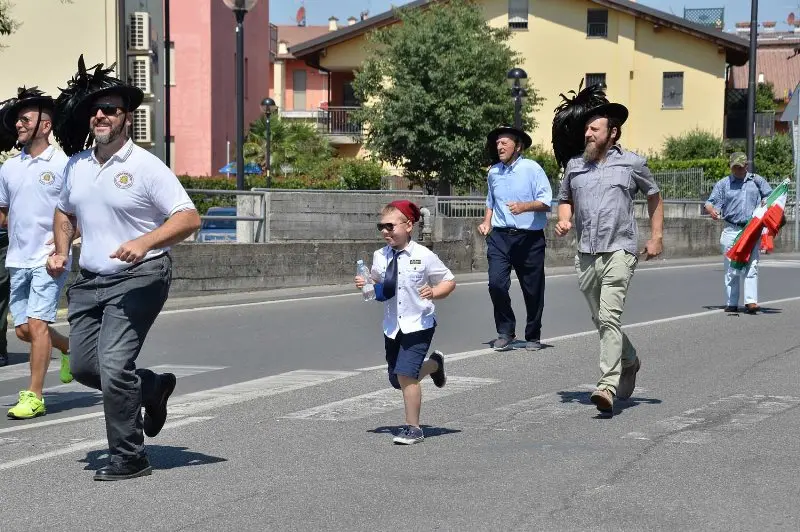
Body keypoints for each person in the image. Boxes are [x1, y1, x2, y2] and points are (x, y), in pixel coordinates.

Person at [48, 56, 201, 480]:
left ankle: (129, 456)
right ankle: (150, 387)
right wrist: (61, 251)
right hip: (90, 280)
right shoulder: (76, 165)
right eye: (95, 110)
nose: (101, 115)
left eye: (111, 109)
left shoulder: (146, 167)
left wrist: (144, 241)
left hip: (141, 277)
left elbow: (188, 217)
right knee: (83, 367)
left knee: (114, 367)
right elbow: (64, 213)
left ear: (126, 119)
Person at [552, 83, 664, 417]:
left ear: (612, 133)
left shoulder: (632, 164)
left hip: (620, 250)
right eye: (586, 128)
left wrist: (656, 236)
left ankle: (606, 385)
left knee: (609, 315)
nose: (587, 133)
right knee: (599, 318)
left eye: (594, 128)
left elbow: (654, 197)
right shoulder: (574, 166)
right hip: (586, 252)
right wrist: (564, 220)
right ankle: (629, 358)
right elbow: (565, 200)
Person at [355, 200, 456, 445]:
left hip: (419, 324)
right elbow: (377, 283)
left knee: (406, 376)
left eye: (390, 226)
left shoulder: (423, 255)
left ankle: (414, 428)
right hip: (393, 326)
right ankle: (434, 365)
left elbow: (449, 281)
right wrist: (365, 284)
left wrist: (434, 291)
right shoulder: (380, 255)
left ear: (408, 225)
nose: (385, 231)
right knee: (396, 379)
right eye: (381, 227)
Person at [0, 87, 73, 419]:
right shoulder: (9, 168)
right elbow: (5, 211)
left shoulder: (63, 164)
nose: (19, 123)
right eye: (17, 118)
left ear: (45, 125)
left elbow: (80, 213)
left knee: (37, 324)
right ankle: (68, 348)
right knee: (23, 330)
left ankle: (36, 395)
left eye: (25, 118)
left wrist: (63, 247)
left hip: (49, 259)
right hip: (17, 257)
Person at [477, 124, 552, 351]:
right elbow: (491, 201)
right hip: (500, 237)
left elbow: (546, 201)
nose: (499, 146)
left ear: (517, 147)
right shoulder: (493, 172)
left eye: (504, 143)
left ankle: (533, 335)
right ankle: (505, 331)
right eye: (497, 143)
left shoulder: (532, 169)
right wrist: (486, 222)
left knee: (533, 289)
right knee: (496, 284)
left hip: (529, 239)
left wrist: (525, 206)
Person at [704, 152, 772, 314]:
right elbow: (710, 202)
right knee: (731, 268)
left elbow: (771, 197)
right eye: (734, 167)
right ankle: (731, 302)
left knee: (751, 265)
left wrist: (766, 203)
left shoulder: (757, 181)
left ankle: (751, 302)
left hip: (751, 229)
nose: (737, 170)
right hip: (731, 229)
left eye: (740, 167)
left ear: (746, 166)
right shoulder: (724, 184)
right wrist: (712, 210)